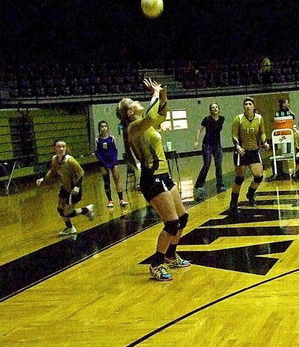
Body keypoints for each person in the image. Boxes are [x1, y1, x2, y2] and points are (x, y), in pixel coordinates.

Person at [117, 78, 191, 281]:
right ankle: (156, 264)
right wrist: (155, 94)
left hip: (164, 175)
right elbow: (151, 114)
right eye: (133, 103)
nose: (137, 102)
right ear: (130, 112)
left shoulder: (146, 125)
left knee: (182, 218)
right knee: (171, 223)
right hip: (152, 179)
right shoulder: (133, 128)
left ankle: (170, 255)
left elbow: (161, 114)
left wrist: (163, 94)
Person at [37, 140, 96, 236]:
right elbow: (52, 171)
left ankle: (86, 210)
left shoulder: (70, 161)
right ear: (54, 148)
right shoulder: (55, 159)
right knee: (60, 209)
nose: (61, 149)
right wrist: (43, 179)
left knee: (67, 213)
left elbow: (81, 172)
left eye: (63, 146)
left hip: (74, 190)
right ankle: (70, 228)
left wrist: (77, 186)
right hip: (64, 188)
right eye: (59, 147)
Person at [229, 97, 269, 216]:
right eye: (245, 104)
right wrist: (237, 146)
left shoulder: (259, 118)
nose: (247, 106)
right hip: (241, 151)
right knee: (239, 178)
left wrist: (265, 142)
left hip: (254, 151)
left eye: (250, 104)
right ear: (243, 107)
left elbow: (262, 132)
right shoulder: (239, 119)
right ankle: (233, 202)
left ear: (253, 106)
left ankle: (250, 193)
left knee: (258, 176)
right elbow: (234, 135)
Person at [193, 102, 226, 201]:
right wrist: (196, 141)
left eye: (216, 107)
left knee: (218, 164)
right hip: (207, 144)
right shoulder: (207, 119)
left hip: (217, 145)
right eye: (213, 107)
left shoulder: (222, 119)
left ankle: (220, 185)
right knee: (207, 164)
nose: (215, 109)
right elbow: (199, 130)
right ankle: (199, 185)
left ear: (219, 109)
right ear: (210, 110)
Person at [95, 120, 128, 208]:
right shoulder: (97, 140)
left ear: (107, 127)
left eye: (105, 126)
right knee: (106, 182)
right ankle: (110, 200)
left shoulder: (112, 138)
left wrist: (114, 161)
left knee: (117, 180)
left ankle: (121, 199)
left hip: (113, 161)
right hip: (103, 163)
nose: (104, 128)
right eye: (102, 126)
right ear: (99, 128)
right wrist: (103, 163)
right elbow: (97, 153)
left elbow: (115, 150)